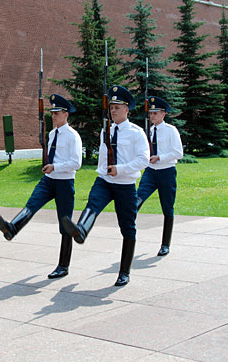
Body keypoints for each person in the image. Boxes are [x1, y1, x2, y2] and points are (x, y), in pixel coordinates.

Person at [62, 85, 149, 286]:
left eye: (118, 107)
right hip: (104, 180)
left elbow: (143, 160)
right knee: (93, 203)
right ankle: (81, 230)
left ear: (127, 109)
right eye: (111, 107)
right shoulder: (106, 130)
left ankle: (124, 272)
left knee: (128, 227)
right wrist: (104, 171)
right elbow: (103, 155)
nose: (113, 110)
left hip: (125, 184)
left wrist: (121, 169)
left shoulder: (136, 133)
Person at [0, 94, 82, 279]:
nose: (54, 115)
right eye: (52, 112)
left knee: (65, 224)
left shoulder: (73, 136)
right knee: (32, 204)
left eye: (57, 112)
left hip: (65, 182)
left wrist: (55, 166)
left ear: (66, 114)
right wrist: (49, 167)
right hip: (49, 179)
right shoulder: (52, 134)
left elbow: (76, 163)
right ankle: (12, 229)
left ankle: (63, 266)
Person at [137, 96, 183, 256]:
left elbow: (179, 153)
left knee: (167, 209)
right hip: (150, 171)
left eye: (155, 113)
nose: (152, 117)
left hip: (166, 172)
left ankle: (165, 244)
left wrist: (160, 158)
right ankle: (129, 230)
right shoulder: (148, 131)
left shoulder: (171, 130)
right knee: (138, 198)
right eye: (150, 114)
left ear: (163, 114)